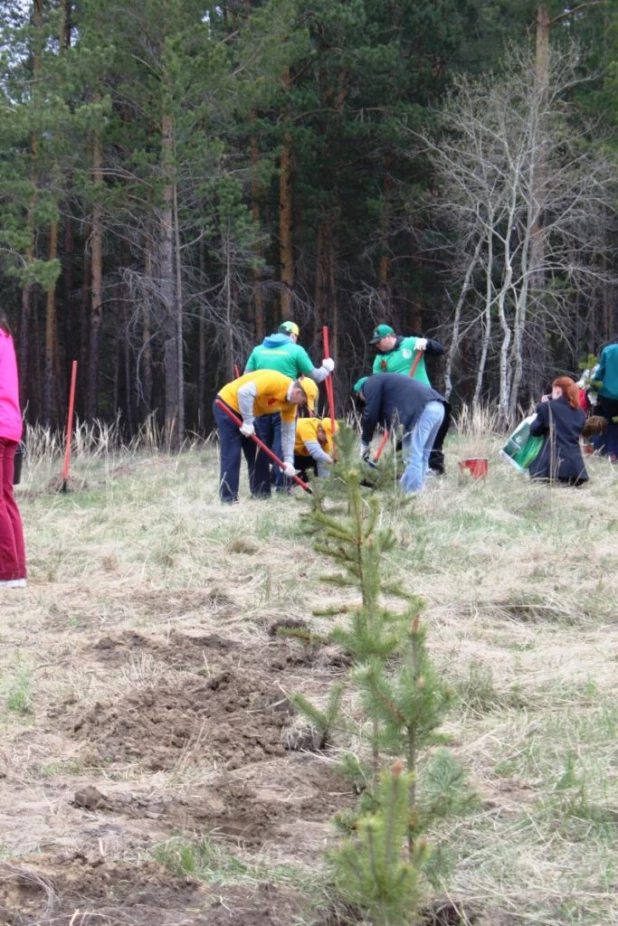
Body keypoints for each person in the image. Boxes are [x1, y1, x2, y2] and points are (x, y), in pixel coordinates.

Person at [245, 321, 335, 488]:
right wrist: (327, 368)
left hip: (260, 407)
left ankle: (260, 490)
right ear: (293, 335)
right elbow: (315, 376)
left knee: (262, 447)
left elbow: (246, 377)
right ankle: (282, 487)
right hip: (284, 405)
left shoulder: (258, 350)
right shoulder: (295, 350)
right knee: (283, 446)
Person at [213, 370, 318, 503]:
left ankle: (261, 494)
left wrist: (289, 461)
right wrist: (248, 422)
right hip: (227, 405)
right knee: (232, 453)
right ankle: (228, 499)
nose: (301, 406)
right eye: (303, 402)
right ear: (297, 392)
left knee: (259, 452)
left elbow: (288, 433)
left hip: (246, 412)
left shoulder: (290, 406)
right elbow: (244, 392)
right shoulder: (275, 381)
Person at [369, 323, 449, 475]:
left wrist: (427, 343)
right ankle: (407, 472)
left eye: (379, 341)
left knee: (429, 440)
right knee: (405, 438)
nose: (377, 345)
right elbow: (377, 383)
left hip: (423, 399)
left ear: (389, 337)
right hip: (402, 405)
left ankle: (434, 470)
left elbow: (441, 350)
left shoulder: (411, 343)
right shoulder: (380, 359)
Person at [353, 373, 446, 494]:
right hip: (438, 407)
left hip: (423, 410)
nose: (364, 401)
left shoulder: (370, 384)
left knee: (413, 456)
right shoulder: (385, 384)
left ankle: (411, 495)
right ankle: (416, 491)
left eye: (360, 397)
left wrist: (365, 443)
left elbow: (370, 415)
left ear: (360, 391)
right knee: (423, 455)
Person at [0, 312, 27, 587]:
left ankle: (7, 573)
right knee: (6, 497)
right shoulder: (5, 336)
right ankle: (16, 571)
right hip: (9, 425)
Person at [528, 377, 588, 486]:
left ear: (557, 389)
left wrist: (542, 410)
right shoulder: (580, 413)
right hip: (576, 471)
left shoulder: (547, 407)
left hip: (548, 469)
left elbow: (534, 431)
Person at [595, 342, 618, 461]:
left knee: (610, 423)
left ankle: (611, 453)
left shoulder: (608, 350)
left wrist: (593, 388)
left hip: (608, 394)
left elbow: (599, 373)